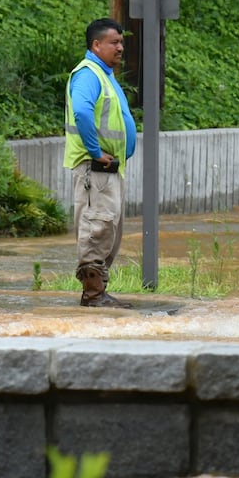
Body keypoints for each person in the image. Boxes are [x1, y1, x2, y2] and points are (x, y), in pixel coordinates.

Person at [64, 17, 137, 307]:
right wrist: (95, 151)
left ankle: (98, 293)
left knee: (108, 231)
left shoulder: (104, 75)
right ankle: (93, 296)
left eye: (121, 42)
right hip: (95, 169)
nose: (120, 47)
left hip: (108, 171)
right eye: (114, 42)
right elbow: (81, 112)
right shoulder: (88, 74)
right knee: (97, 229)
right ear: (96, 45)